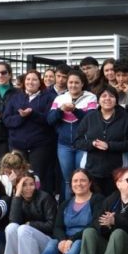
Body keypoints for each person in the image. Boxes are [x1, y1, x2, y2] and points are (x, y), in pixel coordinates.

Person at [31, 169, 102, 254]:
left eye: (83, 180)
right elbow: (57, 227)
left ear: (90, 183)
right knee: (53, 242)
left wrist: (72, 240)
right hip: (66, 244)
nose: (78, 184)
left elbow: (95, 225)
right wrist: (63, 240)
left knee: (79, 242)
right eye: (75, 181)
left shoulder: (97, 200)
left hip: (86, 243)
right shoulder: (66, 203)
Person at [3, 69, 58, 195]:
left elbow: (50, 120)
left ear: (40, 82)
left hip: (40, 145)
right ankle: (19, 202)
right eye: (28, 79)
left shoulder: (50, 98)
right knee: (18, 175)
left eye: (34, 79)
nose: (30, 82)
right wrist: (21, 117)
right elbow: (6, 120)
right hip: (17, 144)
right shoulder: (15, 98)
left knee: (38, 176)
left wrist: (32, 114)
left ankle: (41, 204)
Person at [75, 85, 128, 197]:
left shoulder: (126, 118)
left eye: (111, 96)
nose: (107, 99)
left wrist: (109, 146)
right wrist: (92, 143)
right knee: (95, 201)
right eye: (103, 96)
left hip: (116, 170)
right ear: (98, 100)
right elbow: (77, 141)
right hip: (92, 169)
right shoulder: (90, 117)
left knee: (112, 201)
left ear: (116, 100)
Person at [47, 71, 95, 200]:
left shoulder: (91, 98)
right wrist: (60, 110)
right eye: (71, 82)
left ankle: (83, 206)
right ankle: (68, 208)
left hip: (83, 144)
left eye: (76, 82)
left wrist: (75, 110)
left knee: (82, 179)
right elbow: (50, 120)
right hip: (64, 144)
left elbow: (91, 121)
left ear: (82, 84)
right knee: (68, 180)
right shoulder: (60, 98)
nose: (73, 85)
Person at [6, 174, 60, 254]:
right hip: (27, 241)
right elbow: (14, 220)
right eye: (24, 185)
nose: (28, 188)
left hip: (47, 241)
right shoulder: (18, 198)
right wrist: (17, 194)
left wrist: (31, 224)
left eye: (31, 184)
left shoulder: (45, 197)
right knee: (11, 228)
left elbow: (52, 225)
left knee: (23, 228)